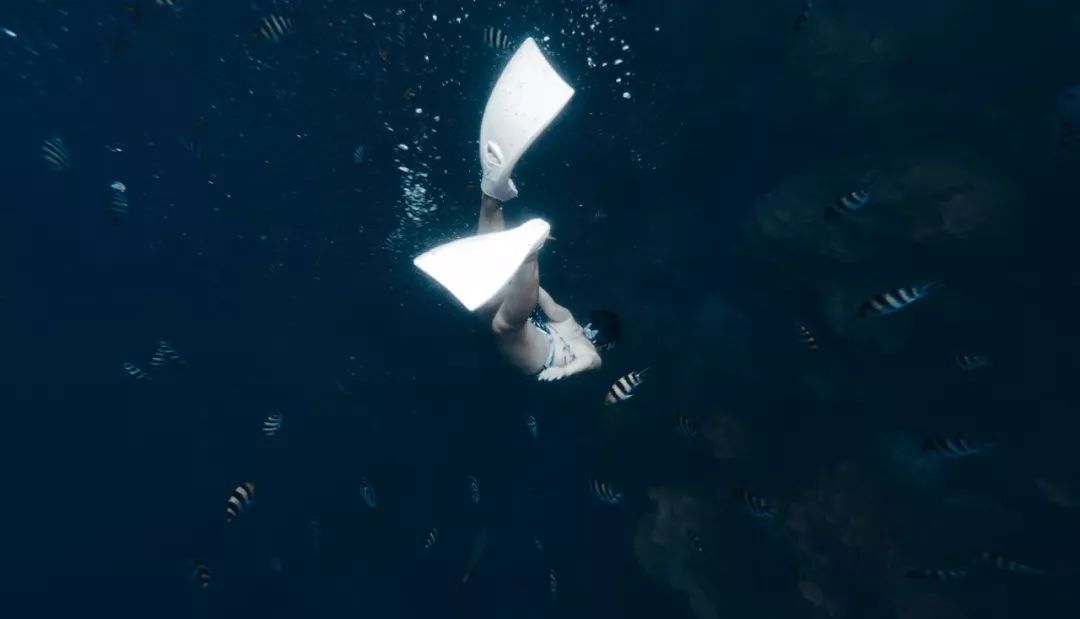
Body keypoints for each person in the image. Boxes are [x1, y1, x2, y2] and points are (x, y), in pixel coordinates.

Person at [413, 38, 619, 381]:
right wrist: (564, 372)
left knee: (489, 292)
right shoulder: (583, 344)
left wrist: (515, 274)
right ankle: (529, 254)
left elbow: (546, 303)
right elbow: (577, 350)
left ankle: (491, 195)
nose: (590, 334)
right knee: (505, 325)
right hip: (535, 351)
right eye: (594, 331)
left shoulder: (578, 335)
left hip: (538, 339)